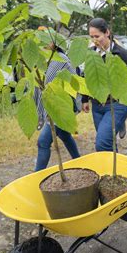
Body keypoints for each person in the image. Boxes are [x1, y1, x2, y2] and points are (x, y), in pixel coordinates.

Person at [81, 18, 127, 151]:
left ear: (107, 33)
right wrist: (84, 99)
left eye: (97, 36)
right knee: (108, 143)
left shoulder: (120, 54)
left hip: (118, 104)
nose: (94, 40)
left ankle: (119, 121)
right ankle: (112, 172)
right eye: (91, 37)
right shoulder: (92, 53)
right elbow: (87, 76)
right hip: (98, 105)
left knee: (102, 143)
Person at [34, 44, 80, 172]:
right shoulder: (43, 61)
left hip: (60, 108)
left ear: (54, 43)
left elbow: (73, 82)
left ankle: (37, 175)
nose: (41, 44)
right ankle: (79, 161)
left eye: (45, 41)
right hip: (50, 105)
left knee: (43, 142)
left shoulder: (62, 60)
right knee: (65, 135)